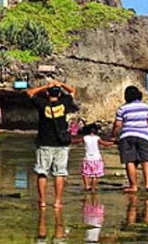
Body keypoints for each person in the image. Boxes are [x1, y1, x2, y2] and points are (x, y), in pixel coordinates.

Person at [26, 80, 78, 210]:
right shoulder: (64, 103)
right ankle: (57, 201)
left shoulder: (43, 104)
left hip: (44, 143)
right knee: (60, 173)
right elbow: (73, 91)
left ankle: (42, 201)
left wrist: (45, 87)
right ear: (59, 94)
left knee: (42, 172)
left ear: (47, 93)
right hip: (61, 144)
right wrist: (60, 84)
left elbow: (29, 92)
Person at [110, 86, 148, 193]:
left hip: (127, 136)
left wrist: (113, 136)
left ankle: (133, 186)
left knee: (129, 160)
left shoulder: (123, 108)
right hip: (143, 136)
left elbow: (117, 124)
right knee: (146, 160)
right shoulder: (145, 107)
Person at [73, 123, 113, 192]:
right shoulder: (97, 138)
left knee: (85, 173)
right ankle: (93, 188)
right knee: (95, 174)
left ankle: (86, 186)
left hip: (88, 158)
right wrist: (113, 142)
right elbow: (104, 143)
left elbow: (76, 141)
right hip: (97, 158)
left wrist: (68, 140)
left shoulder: (85, 138)